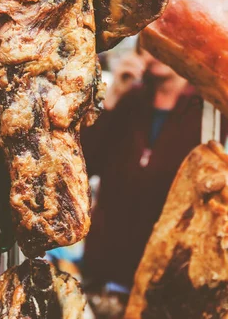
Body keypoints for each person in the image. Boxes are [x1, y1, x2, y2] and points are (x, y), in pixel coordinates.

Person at [81, 46, 228, 297]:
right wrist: (113, 95)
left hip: (166, 272)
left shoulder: (207, 109)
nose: (157, 53)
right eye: (150, 45)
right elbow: (86, 166)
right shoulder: (129, 98)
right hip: (106, 265)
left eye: (165, 44)